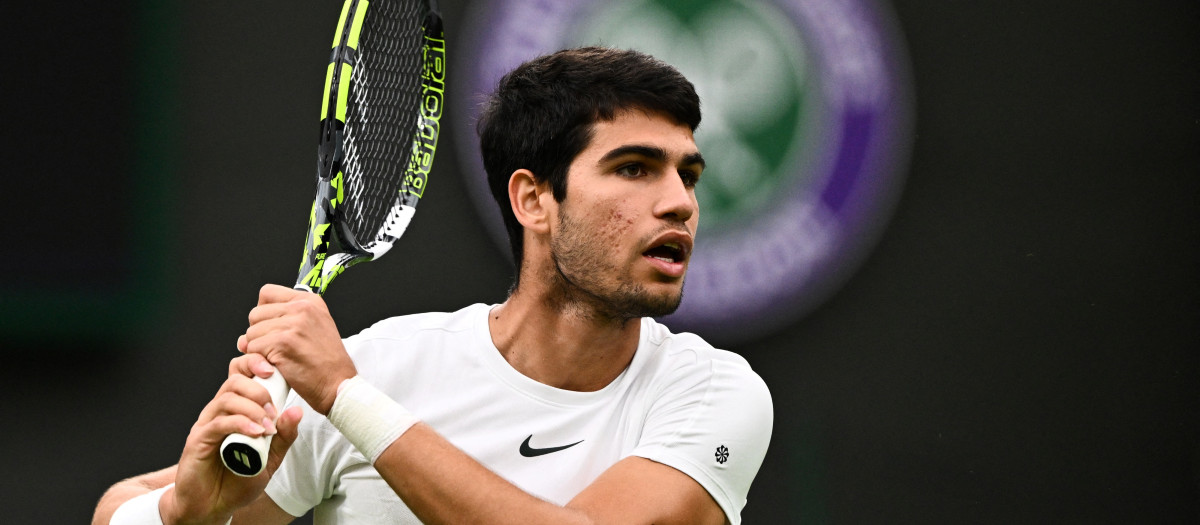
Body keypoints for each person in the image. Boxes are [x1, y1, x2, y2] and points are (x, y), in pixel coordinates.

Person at [94, 46, 773, 525]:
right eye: (634, 168)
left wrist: (346, 397)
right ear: (534, 200)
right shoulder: (384, 365)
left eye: (687, 174)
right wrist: (186, 511)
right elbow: (118, 509)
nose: (680, 201)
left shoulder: (711, 393)